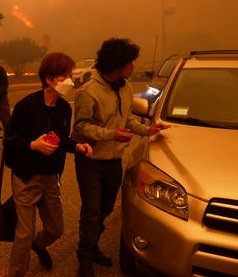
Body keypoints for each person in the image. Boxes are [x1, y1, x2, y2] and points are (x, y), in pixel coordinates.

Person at [72, 38, 170, 277]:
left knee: (105, 209)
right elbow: (80, 127)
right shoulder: (89, 91)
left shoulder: (125, 87)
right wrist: (110, 134)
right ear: (117, 65)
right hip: (91, 161)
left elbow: (127, 119)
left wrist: (148, 130)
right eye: (130, 63)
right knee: (92, 211)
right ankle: (84, 258)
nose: (134, 68)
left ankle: (92, 246)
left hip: (114, 161)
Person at [3, 52, 93, 277]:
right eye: (65, 76)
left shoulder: (64, 108)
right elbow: (9, 137)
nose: (70, 81)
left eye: (70, 76)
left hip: (51, 177)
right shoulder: (27, 105)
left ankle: (40, 244)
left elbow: (61, 140)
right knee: (24, 234)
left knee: (56, 229)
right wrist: (33, 145)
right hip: (25, 177)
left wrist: (77, 147)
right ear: (49, 79)